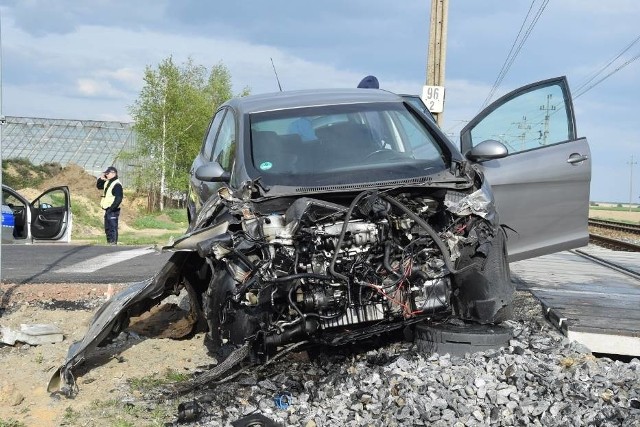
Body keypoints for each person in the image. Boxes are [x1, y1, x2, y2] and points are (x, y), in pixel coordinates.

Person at [96, 166, 123, 245]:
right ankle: (109, 243)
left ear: (113, 173)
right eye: (106, 173)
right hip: (108, 209)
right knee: (107, 228)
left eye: (107, 173)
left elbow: (118, 198)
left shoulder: (117, 184)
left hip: (113, 210)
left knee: (112, 227)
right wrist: (101, 178)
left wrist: (112, 208)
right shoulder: (108, 182)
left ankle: (113, 243)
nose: (106, 175)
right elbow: (99, 186)